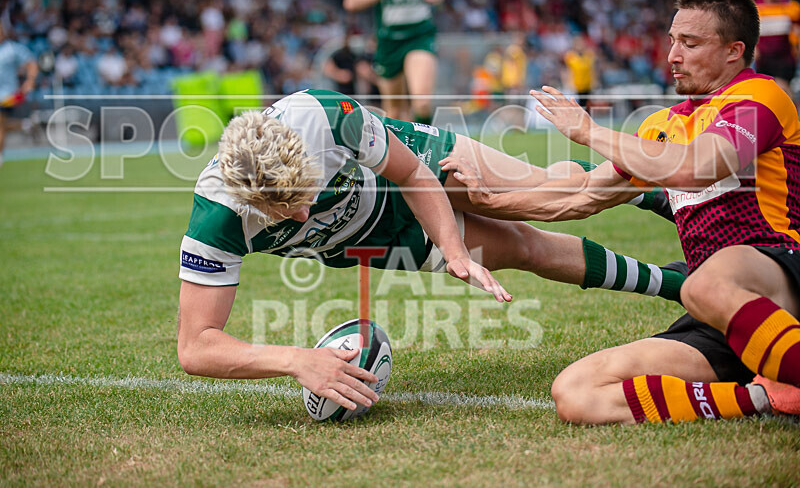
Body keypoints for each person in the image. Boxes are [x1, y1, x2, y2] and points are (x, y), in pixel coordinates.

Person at [177, 88, 688, 413]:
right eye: (283, 212)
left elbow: (411, 173)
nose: (303, 214)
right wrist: (296, 360)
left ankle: (652, 188)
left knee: (545, 196)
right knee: (527, 249)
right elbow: (196, 346)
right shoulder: (217, 216)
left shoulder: (327, 118)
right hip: (366, 239)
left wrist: (455, 250)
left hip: (405, 169)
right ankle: (682, 285)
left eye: (306, 196)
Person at [443, 0, 800, 423]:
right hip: (718, 314)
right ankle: (766, 398)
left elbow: (697, 166)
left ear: (734, 51)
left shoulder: (759, 97)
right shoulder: (664, 124)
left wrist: (590, 132)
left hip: (781, 275)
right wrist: (487, 198)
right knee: (576, 393)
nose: (673, 55)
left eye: (690, 44)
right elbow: (583, 194)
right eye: (672, 41)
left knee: (701, 284)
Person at [342, 0, 444, 124]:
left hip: (420, 35)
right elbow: (351, 1)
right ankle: (398, 140)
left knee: (422, 103)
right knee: (394, 110)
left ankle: (424, 141)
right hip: (389, 40)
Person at [755, 0, 800, 97]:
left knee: (783, 89)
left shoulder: (792, 7)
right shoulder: (755, 8)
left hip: (785, 59)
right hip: (763, 60)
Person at [0, 23, 38, 167]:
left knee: (0, 124)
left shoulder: (12, 49)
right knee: (2, 125)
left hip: (7, 95)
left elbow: (31, 63)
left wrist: (30, 80)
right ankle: (23, 125)